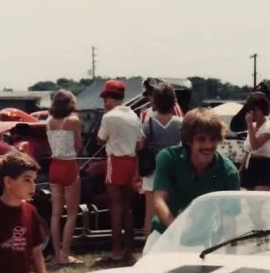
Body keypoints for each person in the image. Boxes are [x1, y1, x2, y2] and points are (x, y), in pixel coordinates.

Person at [148, 108, 240, 246]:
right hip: (164, 234)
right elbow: (159, 200)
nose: (208, 145)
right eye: (201, 139)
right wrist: (176, 230)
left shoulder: (228, 172)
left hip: (200, 242)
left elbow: (229, 221)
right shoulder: (168, 158)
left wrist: (231, 253)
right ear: (189, 140)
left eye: (213, 139)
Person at [96, 79, 143, 263]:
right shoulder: (133, 115)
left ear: (109, 98)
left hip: (115, 161)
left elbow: (100, 140)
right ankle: (128, 251)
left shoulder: (109, 117)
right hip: (131, 161)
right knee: (127, 208)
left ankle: (116, 250)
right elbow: (140, 143)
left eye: (105, 99)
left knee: (115, 207)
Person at [138, 83, 183, 240]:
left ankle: (148, 246)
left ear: (155, 101)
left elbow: (140, 146)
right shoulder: (181, 123)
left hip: (152, 173)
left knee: (150, 213)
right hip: (174, 172)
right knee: (173, 211)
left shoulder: (147, 124)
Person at [45, 89, 83, 266]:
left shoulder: (48, 122)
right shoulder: (73, 121)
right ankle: (65, 254)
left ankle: (56, 253)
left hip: (55, 166)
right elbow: (79, 145)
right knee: (72, 214)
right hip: (69, 166)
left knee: (55, 213)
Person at [240, 91, 270, 192]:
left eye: (254, 110)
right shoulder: (252, 127)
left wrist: (248, 125)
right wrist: (240, 171)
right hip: (251, 165)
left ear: (262, 110)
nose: (252, 113)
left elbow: (255, 145)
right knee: (250, 202)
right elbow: (248, 151)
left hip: (264, 165)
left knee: (259, 199)